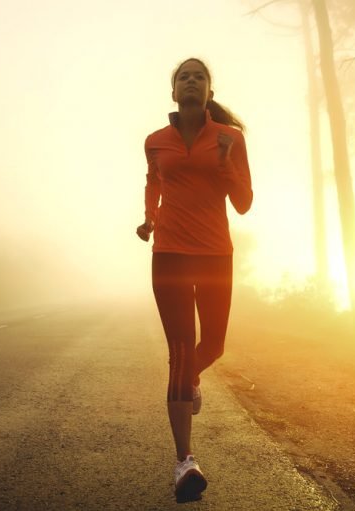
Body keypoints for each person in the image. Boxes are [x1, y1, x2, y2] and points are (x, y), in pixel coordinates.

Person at [136, 57, 253, 501]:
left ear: (208, 90)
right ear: (173, 92)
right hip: (168, 254)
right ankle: (185, 462)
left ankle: (190, 382)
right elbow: (153, 183)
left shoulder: (230, 139)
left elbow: (243, 202)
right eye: (182, 76)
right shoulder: (155, 142)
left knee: (214, 345)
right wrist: (149, 219)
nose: (190, 81)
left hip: (214, 254)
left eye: (198, 76)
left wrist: (225, 163)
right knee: (181, 352)